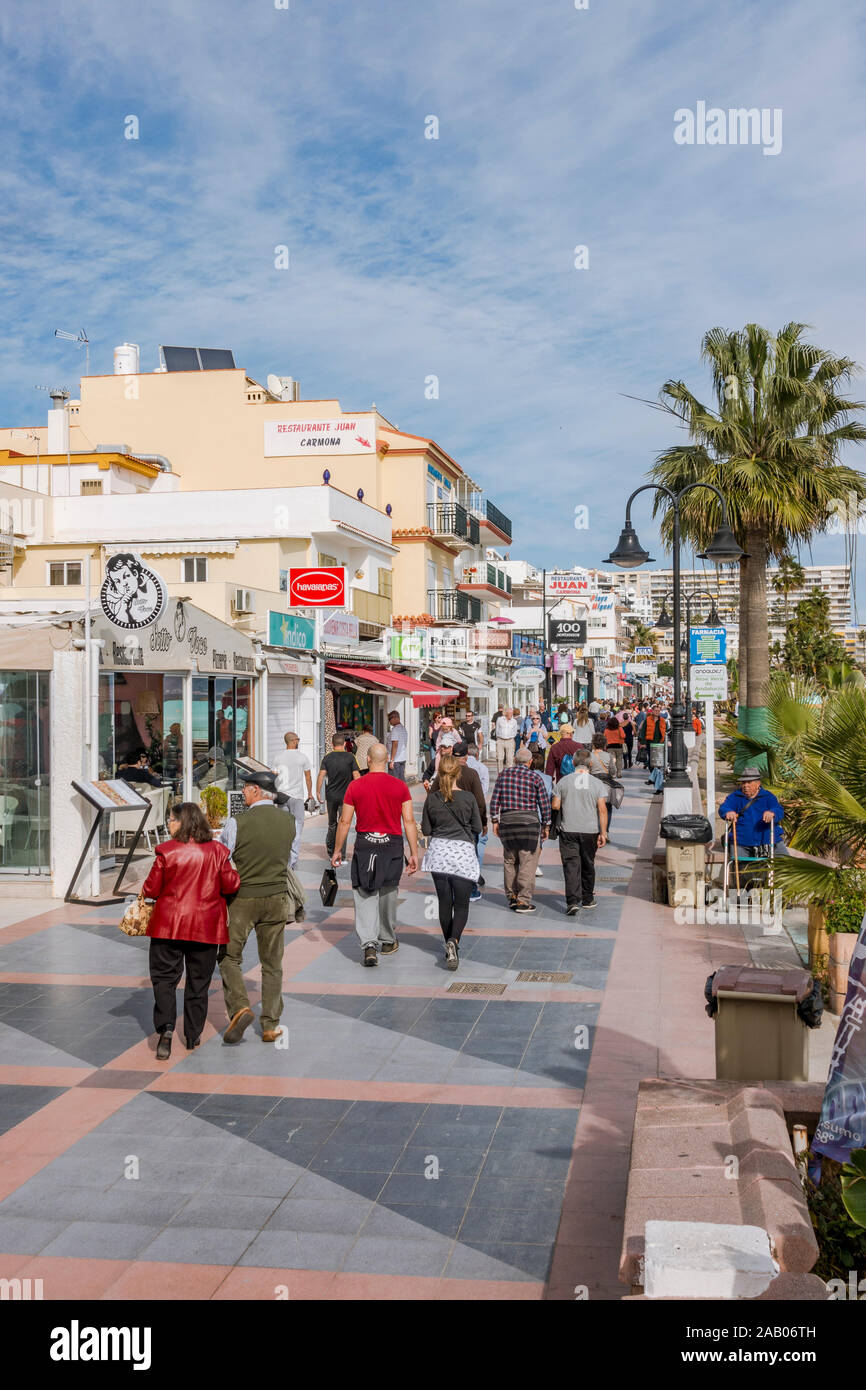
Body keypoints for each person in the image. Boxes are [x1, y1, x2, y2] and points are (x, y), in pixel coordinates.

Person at [142, 802, 240, 1058]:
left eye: (172, 820)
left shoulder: (166, 852)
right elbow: (230, 885)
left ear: (182, 822)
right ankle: (193, 1034)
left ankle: (165, 1029)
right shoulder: (218, 851)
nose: (169, 825)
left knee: (164, 979)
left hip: (168, 927)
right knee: (199, 982)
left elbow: (150, 889)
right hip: (206, 928)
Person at [218, 771, 295, 1044]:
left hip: (243, 898)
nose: (242, 794)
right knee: (272, 962)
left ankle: (240, 1007)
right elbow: (292, 858)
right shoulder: (289, 821)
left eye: (245, 790)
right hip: (276, 897)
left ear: (254, 791)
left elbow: (223, 858)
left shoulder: (237, 822)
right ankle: (271, 1024)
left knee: (229, 956)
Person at [332, 742, 420, 966]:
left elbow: (344, 821)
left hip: (366, 844)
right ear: (385, 762)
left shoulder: (355, 786)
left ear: (368, 760)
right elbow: (409, 821)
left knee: (364, 894)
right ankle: (388, 940)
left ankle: (369, 944)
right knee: (389, 892)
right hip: (392, 845)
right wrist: (414, 853)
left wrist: (337, 850)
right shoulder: (400, 786)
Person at [421, 754, 482, 970]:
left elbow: (426, 830)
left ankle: (449, 943)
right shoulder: (468, 798)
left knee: (444, 902)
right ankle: (453, 941)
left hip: (439, 853)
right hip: (462, 854)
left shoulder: (432, 798)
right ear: (458, 773)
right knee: (462, 905)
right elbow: (477, 828)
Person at [490, 746, 551, 914]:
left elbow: (495, 800)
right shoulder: (535, 777)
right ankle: (523, 900)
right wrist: (546, 825)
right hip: (529, 825)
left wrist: (495, 821)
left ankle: (511, 896)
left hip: (508, 823)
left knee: (510, 860)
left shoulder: (503, 776)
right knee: (527, 862)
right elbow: (544, 804)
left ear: (515, 760)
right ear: (530, 762)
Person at [552, 750, 608, 914]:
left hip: (568, 828)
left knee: (571, 865)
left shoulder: (563, 781)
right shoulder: (597, 783)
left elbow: (555, 805)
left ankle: (572, 901)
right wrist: (603, 833)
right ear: (590, 764)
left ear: (574, 763)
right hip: (590, 830)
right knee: (588, 863)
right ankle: (588, 898)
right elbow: (602, 810)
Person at [718, 766, 786, 860]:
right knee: (741, 869)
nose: (745, 785)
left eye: (749, 782)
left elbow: (779, 810)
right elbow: (724, 807)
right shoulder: (735, 797)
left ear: (758, 783)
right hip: (742, 841)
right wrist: (728, 812)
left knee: (786, 863)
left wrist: (772, 812)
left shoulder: (768, 796)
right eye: (743, 782)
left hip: (768, 839)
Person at [317, 732, 361, 857]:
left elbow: (321, 775)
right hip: (346, 797)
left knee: (332, 824)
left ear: (332, 744)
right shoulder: (350, 757)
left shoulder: (327, 757)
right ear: (345, 744)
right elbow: (356, 776)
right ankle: (341, 853)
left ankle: (330, 851)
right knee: (344, 823)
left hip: (331, 796)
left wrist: (318, 792)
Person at [273, 732, 313, 868]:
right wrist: (310, 794)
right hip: (297, 797)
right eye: (298, 739)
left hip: (282, 795)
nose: (299, 741)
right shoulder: (302, 757)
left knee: (284, 826)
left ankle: (283, 857)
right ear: (294, 741)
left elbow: (274, 776)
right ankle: (293, 859)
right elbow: (308, 777)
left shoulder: (278, 758)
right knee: (297, 827)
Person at [464, 738, 490, 899]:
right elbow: (484, 791)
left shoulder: (458, 769)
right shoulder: (482, 768)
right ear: (477, 754)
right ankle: (475, 873)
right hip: (476, 811)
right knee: (479, 841)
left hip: (460, 810)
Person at [589, 734, 617, 833]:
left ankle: (595, 830)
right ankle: (605, 831)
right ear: (605, 744)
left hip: (592, 784)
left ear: (593, 744)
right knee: (607, 808)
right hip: (606, 785)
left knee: (593, 807)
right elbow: (613, 772)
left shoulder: (589, 756)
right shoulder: (609, 756)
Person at [644, 704, 667, 794]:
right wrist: (642, 743)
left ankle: (654, 781)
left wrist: (666, 741)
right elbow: (643, 730)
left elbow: (666, 731)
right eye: (655, 710)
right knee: (651, 764)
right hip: (650, 743)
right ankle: (653, 779)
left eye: (658, 710)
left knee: (658, 765)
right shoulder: (648, 720)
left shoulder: (662, 721)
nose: (657, 712)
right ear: (652, 711)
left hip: (660, 744)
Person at [494, 707, 519, 771]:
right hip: (500, 740)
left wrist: (510, 737)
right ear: (506, 713)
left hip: (510, 740)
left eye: (512, 713)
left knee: (510, 758)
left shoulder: (514, 721)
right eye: (510, 713)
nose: (511, 714)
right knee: (500, 758)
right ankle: (500, 774)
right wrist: (499, 738)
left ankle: (509, 774)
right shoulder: (499, 719)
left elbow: (515, 732)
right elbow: (497, 730)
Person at [387, 710, 408, 780]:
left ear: (395, 718)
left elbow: (395, 745)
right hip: (402, 758)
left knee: (393, 781)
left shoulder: (395, 730)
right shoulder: (403, 728)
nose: (389, 722)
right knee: (401, 780)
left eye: (390, 719)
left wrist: (392, 760)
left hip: (395, 760)